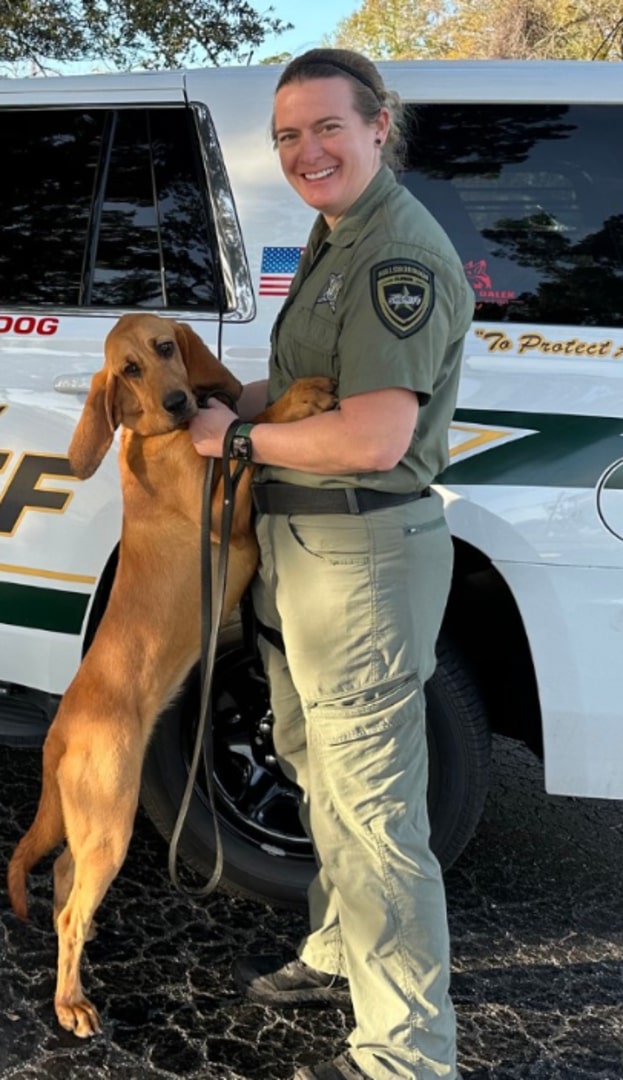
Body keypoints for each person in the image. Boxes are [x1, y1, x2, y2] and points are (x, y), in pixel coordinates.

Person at [190, 47, 473, 1080]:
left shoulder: (395, 254)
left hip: (359, 556)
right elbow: (309, 382)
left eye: (325, 127)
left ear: (376, 126)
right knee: (318, 769)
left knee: (373, 810)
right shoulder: (337, 235)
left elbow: (370, 436)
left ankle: (406, 1053)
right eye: (286, 135)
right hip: (308, 552)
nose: (304, 150)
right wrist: (220, 403)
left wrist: (230, 440)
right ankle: (341, 948)